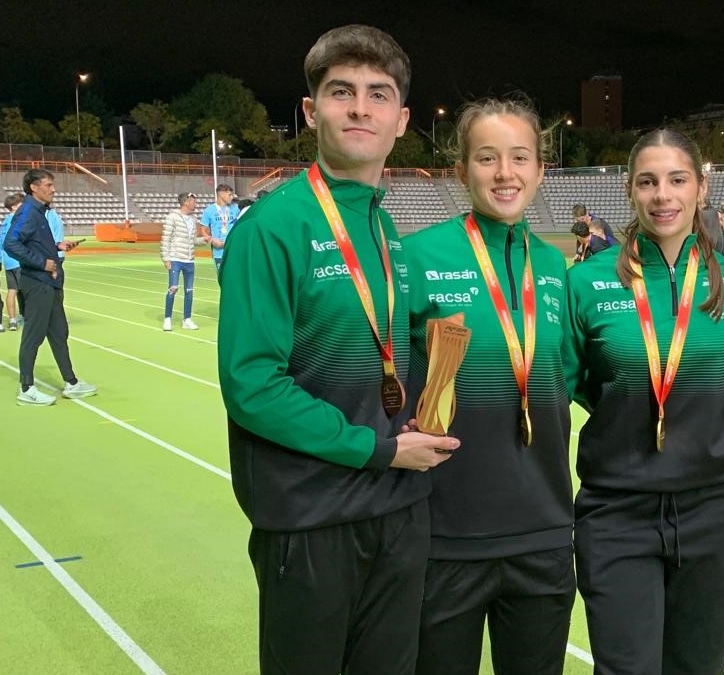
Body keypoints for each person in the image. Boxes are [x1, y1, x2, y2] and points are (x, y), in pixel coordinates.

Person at [216, 25, 461, 675]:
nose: (360, 107)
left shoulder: (385, 231)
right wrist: (379, 448)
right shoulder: (272, 228)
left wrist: (438, 379)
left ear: (401, 119)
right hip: (312, 519)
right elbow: (253, 386)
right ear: (310, 110)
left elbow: (420, 336)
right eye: (341, 91)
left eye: (378, 94)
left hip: (399, 508)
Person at [563, 128, 724, 675]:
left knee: (699, 667)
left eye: (676, 180)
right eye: (647, 182)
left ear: (701, 186)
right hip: (618, 508)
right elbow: (576, 382)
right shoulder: (586, 281)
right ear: (630, 190)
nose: (662, 195)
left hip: (714, 508)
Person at [403, 97, 575, 675]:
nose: (505, 173)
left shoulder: (553, 268)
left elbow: (564, 380)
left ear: (540, 170)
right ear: (461, 170)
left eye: (519, 157)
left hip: (544, 533)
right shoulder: (416, 257)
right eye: (487, 157)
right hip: (445, 536)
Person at [3, 169, 97, 406]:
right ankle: (26, 388)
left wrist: (57, 245)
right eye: (48, 185)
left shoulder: (39, 212)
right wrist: (42, 262)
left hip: (50, 283)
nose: (53, 189)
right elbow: (11, 243)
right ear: (34, 187)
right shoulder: (27, 211)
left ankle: (72, 383)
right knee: (33, 337)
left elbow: (34, 242)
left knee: (58, 334)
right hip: (38, 284)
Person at [160, 192, 203, 331]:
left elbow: (194, 240)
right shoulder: (172, 217)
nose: (195, 204)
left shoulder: (193, 219)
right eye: (193, 201)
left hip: (189, 260)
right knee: (173, 288)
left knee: (189, 291)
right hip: (175, 258)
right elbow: (165, 238)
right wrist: (166, 258)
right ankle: (167, 318)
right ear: (186, 202)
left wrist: (205, 240)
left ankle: (187, 319)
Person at [0, 194, 24, 331]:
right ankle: (30, 317)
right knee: (27, 291)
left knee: (12, 290)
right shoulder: (17, 220)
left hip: (8, 261)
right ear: (14, 207)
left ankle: (13, 321)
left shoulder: (5, 221)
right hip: (19, 260)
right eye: (20, 204)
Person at [200, 183, 238, 274]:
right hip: (218, 252)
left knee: (235, 276)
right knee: (222, 278)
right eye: (229, 195)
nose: (232, 197)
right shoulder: (209, 210)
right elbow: (203, 230)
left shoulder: (236, 209)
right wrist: (212, 240)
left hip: (234, 249)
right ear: (221, 194)